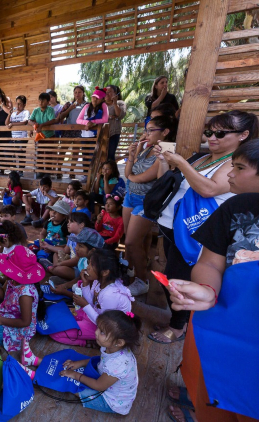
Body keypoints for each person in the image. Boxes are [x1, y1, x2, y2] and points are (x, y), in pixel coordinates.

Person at [164, 141, 259, 422]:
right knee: (214, 392)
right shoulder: (237, 208)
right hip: (223, 322)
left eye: (239, 168)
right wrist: (207, 290)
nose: (230, 173)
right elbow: (208, 262)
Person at [148, 110, 258, 345]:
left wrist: (180, 162)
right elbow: (167, 181)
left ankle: (178, 327)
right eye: (209, 132)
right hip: (172, 227)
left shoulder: (234, 162)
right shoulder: (200, 157)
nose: (212, 137)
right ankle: (180, 322)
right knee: (173, 275)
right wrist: (164, 162)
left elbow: (208, 189)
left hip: (197, 232)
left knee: (178, 277)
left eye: (220, 133)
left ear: (243, 135)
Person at [20, 310, 141, 416]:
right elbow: (102, 360)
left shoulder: (118, 364)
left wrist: (75, 375)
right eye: (98, 328)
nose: (96, 332)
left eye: (102, 332)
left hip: (109, 400)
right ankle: (35, 361)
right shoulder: (114, 347)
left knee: (72, 383)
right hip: (104, 378)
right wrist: (80, 363)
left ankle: (34, 376)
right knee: (71, 361)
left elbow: (98, 386)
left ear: (119, 342)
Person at [123, 115, 175, 295]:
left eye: (151, 130)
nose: (147, 133)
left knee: (131, 242)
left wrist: (130, 177)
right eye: (147, 130)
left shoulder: (167, 151)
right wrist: (132, 154)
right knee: (132, 240)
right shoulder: (146, 149)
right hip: (130, 196)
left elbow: (149, 177)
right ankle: (132, 268)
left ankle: (142, 280)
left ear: (165, 132)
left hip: (146, 201)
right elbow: (129, 171)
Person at [50, 248, 134, 348]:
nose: (87, 267)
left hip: (105, 329)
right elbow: (92, 303)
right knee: (58, 319)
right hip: (94, 316)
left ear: (105, 272)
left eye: (91, 265)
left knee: (55, 333)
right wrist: (85, 284)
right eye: (89, 263)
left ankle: (88, 342)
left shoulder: (110, 295)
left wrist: (84, 305)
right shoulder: (98, 281)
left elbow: (102, 322)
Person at [0, 245, 44, 352]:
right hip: (6, 315)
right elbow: (3, 297)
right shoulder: (12, 281)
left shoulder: (25, 294)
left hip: (18, 330)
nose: (2, 270)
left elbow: (25, 322)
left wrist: (1, 320)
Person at [48, 212, 94, 281]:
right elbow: (66, 250)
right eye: (68, 221)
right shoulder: (72, 235)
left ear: (81, 225)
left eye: (71, 222)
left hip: (79, 268)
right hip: (70, 262)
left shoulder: (84, 239)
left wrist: (60, 264)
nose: (68, 224)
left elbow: (76, 260)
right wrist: (48, 246)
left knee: (60, 269)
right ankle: (55, 269)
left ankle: (54, 269)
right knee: (56, 254)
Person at [34, 200, 71, 266]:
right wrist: (41, 242)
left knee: (52, 256)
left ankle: (45, 262)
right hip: (46, 244)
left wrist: (51, 248)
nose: (53, 212)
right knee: (32, 247)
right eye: (52, 210)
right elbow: (42, 234)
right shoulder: (48, 222)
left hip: (57, 249)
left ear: (64, 216)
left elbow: (68, 245)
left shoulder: (66, 227)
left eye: (57, 211)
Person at [105, 85, 127, 161]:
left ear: (115, 93)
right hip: (102, 133)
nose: (107, 93)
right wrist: (110, 116)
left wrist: (114, 103)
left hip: (114, 132)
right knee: (102, 155)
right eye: (106, 92)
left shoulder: (120, 103)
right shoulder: (101, 104)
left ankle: (111, 172)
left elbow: (119, 115)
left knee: (110, 155)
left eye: (110, 92)